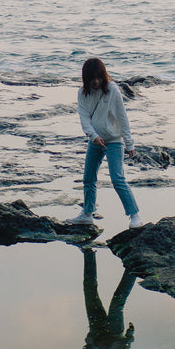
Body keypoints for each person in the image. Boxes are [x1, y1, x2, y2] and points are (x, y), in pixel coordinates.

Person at [68, 57, 144, 229]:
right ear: (86, 78)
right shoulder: (82, 93)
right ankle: (87, 214)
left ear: (103, 76)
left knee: (117, 179)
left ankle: (134, 215)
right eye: (92, 78)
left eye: (99, 77)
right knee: (88, 178)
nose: (96, 82)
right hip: (95, 141)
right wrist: (93, 135)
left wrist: (129, 143)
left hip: (114, 141)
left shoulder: (112, 90)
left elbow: (122, 118)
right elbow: (84, 117)